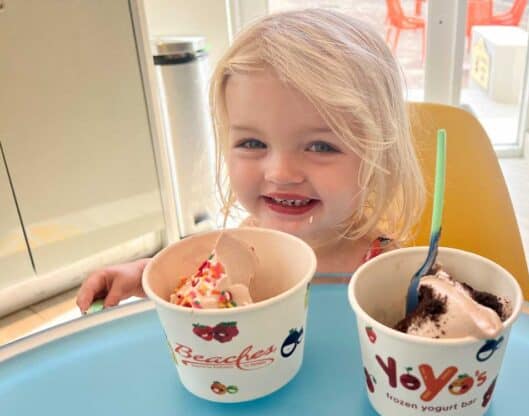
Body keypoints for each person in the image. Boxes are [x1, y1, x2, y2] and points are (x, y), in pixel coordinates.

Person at [76, 8, 425, 313]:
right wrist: (145, 276)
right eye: (253, 142)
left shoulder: (387, 271)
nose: (281, 173)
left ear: (379, 156)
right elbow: (195, 286)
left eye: (320, 146)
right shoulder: (243, 245)